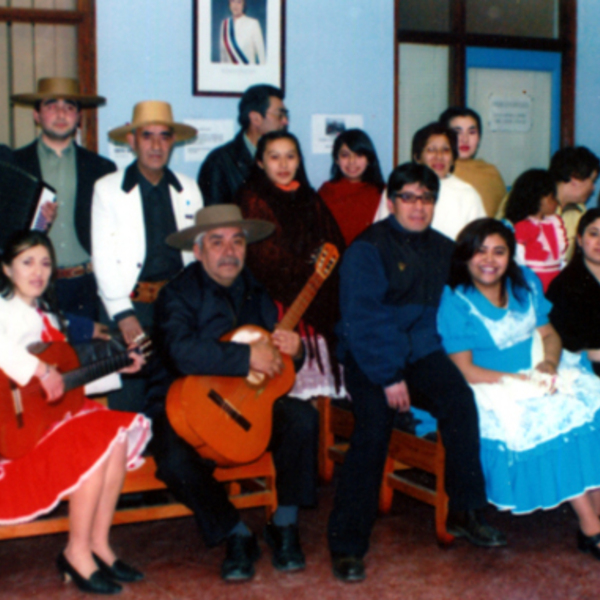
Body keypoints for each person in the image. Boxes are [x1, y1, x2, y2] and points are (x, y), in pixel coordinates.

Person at [327, 163, 505, 584]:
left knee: (459, 400)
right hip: (371, 357)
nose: (417, 206)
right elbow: (364, 321)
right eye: (407, 197)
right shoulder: (367, 249)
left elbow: (480, 276)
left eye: (426, 198)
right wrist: (390, 376)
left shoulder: (443, 248)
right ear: (391, 202)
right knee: (373, 428)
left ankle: (464, 509)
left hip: (419, 351)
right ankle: (347, 544)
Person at [145, 204, 318, 582]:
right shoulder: (176, 294)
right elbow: (182, 353)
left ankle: (284, 523)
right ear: (199, 250)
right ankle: (234, 533)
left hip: (247, 404)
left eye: (237, 242)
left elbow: (274, 365)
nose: (229, 251)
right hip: (185, 406)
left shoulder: (255, 290)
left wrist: (295, 351)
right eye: (218, 242)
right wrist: (246, 356)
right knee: (173, 460)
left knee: (303, 418)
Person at [437, 218, 600, 560]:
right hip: (489, 383)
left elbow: (550, 334)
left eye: (499, 251)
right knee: (558, 416)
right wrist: (519, 382)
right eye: (480, 251)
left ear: (510, 256)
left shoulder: (524, 281)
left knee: (590, 407)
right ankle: (590, 527)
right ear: (465, 256)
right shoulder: (456, 300)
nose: (490, 260)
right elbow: (465, 369)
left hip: (536, 366)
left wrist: (549, 365)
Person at [0, 230, 151, 594]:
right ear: (6, 269)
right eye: (27, 262)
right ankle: (76, 550)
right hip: (11, 429)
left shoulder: (47, 315)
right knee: (93, 443)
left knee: (113, 438)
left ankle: (98, 543)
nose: (38, 271)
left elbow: (65, 383)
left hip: (43, 420)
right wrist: (39, 370)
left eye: (46, 263)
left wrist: (118, 366)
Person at [92, 101, 202, 412]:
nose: (156, 145)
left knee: (175, 399)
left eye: (164, 136)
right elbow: (103, 258)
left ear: (173, 141)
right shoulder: (108, 189)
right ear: (132, 140)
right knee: (129, 401)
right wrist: (124, 315)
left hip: (175, 309)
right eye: (147, 135)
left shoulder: (189, 189)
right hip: (128, 307)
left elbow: (196, 255)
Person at [236, 130, 346, 398]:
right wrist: (310, 272)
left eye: (290, 157)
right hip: (274, 306)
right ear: (260, 162)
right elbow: (264, 259)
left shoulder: (309, 197)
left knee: (320, 397)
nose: (283, 165)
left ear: (299, 161)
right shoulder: (250, 199)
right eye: (274, 157)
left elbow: (335, 246)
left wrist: (317, 276)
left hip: (315, 302)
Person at [11, 78, 117, 321]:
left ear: (79, 116)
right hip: (33, 285)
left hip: (87, 286)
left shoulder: (102, 168)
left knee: (87, 357)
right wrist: (35, 223)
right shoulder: (14, 164)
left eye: (69, 107)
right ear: (36, 115)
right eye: (51, 106)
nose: (61, 113)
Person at [197, 84, 289, 206]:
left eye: (286, 115)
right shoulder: (219, 162)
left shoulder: (289, 157)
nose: (285, 121)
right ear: (256, 118)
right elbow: (214, 218)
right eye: (280, 115)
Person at [548, 208, 600, 377]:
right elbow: (561, 340)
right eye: (593, 234)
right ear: (579, 239)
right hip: (585, 365)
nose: (599, 241)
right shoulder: (564, 286)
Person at [318, 128, 385, 245]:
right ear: (336, 159)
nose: (352, 161)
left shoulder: (383, 193)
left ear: (369, 159)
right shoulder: (326, 192)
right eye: (345, 155)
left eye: (359, 155)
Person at [504, 169, 568, 292]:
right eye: (553, 197)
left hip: (555, 279)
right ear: (541, 199)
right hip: (533, 281)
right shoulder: (523, 226)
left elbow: (561, 256)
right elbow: (518, 259)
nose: (557, 201)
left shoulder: (554, 222)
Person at [439, 107, 506, 217]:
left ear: (479, 138)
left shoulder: (491, 174)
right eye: (457, 132)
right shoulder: (438, 170)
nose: (464, 139)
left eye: (472, 132)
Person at [219, 0, 265, 65]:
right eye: (233, 1)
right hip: (230, 73)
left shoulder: (253, 24)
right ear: (229, 4)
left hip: (249, 73)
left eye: (239, 2)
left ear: (244, 5)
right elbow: (223, 56)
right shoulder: (225, 24)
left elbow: (261, 56)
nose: (235, 5)